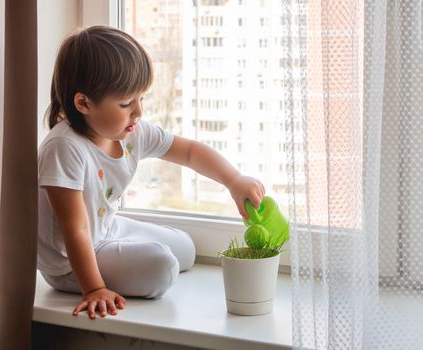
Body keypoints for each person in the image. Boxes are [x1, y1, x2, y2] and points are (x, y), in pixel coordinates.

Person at [38, 25, 265, 320]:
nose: (139, 112)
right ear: (84, 103)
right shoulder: (64, 147)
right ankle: (100, 275)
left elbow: (189, 151)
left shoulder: (131, 132)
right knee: (162, 270)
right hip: (70, 260)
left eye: (141, 98)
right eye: (126, 103)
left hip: (105, 232)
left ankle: (130, 251)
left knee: (185, 249)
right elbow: (75, 229)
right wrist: (94, 289)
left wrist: (234, 180)